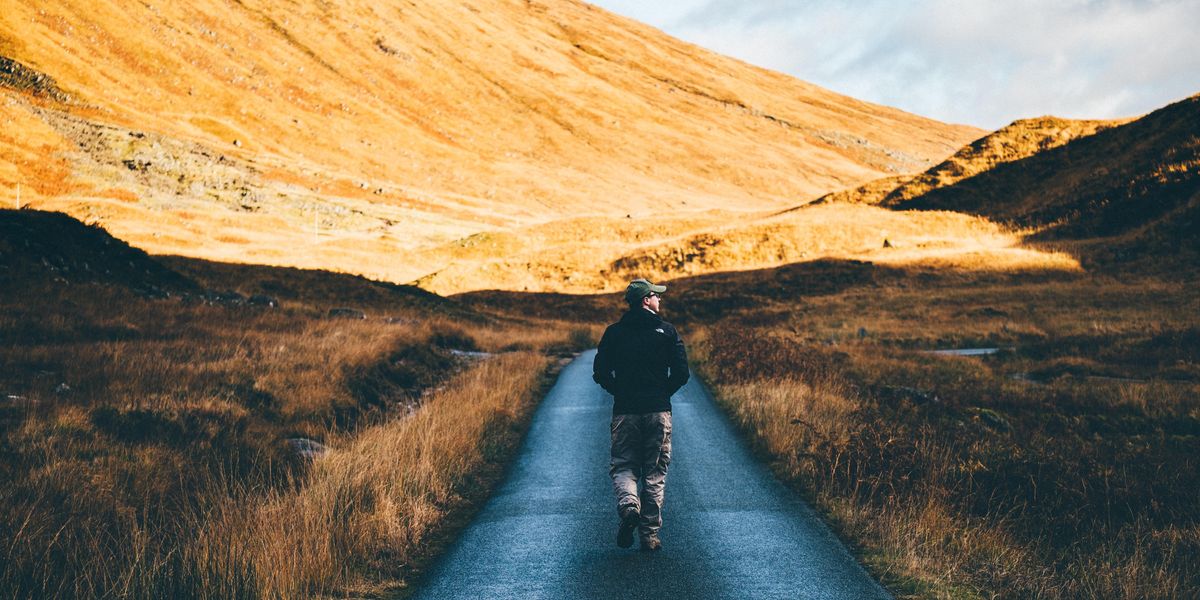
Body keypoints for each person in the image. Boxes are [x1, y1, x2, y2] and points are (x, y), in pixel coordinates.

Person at [592, 278, 689, 551]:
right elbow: (682, 373)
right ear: (646, 300)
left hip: (625, 411)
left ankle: (629, 506)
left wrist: (619, 391)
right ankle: (649, 536)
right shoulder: (667, 331)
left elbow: (599, 372)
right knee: (655, 472)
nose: (660, 299)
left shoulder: (613, 333)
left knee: (624, 466)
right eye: (656, 296)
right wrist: (662, 394)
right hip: (658, 411)